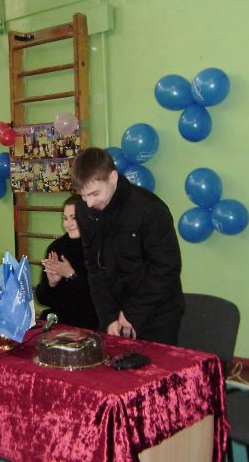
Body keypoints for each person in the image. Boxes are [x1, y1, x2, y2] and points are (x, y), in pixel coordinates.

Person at [72, 147, 185, 345]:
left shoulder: (150, 209)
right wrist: (108, 316)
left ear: (113, 177)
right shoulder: (84, 210)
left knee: (154, 365)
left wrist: (132, 312)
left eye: (95, 193)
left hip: (156, 313)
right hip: (114, 311)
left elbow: (166, 267)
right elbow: (94, 267)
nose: (89, 203)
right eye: (83, 196)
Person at [34, 194, 98, 329]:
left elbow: (98, 299)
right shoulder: (57, 247)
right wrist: (52, 284)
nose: (68, 224)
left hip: (91, 324)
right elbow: (43, 299)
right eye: (65, 218)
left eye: (74, 218)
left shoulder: (99, 247)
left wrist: (71, 275)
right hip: (60, 322)